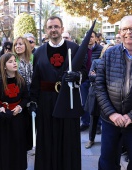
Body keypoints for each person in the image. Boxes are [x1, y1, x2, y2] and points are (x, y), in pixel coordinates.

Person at [29, 16, 87, 170]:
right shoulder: (39, 52)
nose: (53, 30)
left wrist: (78, 76)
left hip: (68, 100)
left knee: (68, 138)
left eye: (56, 26)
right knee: (47, 138)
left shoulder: (74, 49)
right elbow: (35, 79)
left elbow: (83, 71)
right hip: (46, 102)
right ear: (46, 30)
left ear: (62, 29)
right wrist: (33, 101)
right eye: (50, 27)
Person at [95, 15, 132, 170]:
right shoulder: (109, 54)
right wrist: (112, 114)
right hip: (110, 120)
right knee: (107, 162)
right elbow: (99, 86)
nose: (128, 32)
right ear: (120, 32)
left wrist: (130, 116)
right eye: (125, 29)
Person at [0, 52, 29, 170]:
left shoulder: (21, 80)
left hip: (17, 117)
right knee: (4, 144)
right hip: (3, 119)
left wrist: (20, 107)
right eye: (10, 62)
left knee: (18, 143)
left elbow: (26, 97)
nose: (14, 63)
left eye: (15, 61)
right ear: (4, 66)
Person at [85, 43, 114, 149]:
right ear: (103, 51)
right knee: (94, 117)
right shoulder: (96, 62)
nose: (110, 52)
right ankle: (90, 139)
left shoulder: (116, 63)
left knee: (108, 119)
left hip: (110, 95)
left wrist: (97, 76)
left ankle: (107, 142)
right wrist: (105, 78)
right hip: (96, 93)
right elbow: (90, 77)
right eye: (108, 50)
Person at [13, 36, 33, 150]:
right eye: (16, 44)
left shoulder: (32, 59)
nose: (18, 46)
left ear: (26, 45)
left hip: (30, 97)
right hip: (17, 97)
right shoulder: (12, 59)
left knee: (28, 125)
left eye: (20, 44)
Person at [80, 31, 103, 132]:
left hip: (96, 81)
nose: (89, 39)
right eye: (88, 37)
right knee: (84, 102)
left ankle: (97, 125)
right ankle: (85, 122)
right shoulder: (82, 49)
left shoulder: (100, 49)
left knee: (96, 103)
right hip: (84, 80)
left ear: (95, 38)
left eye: (92, 37)